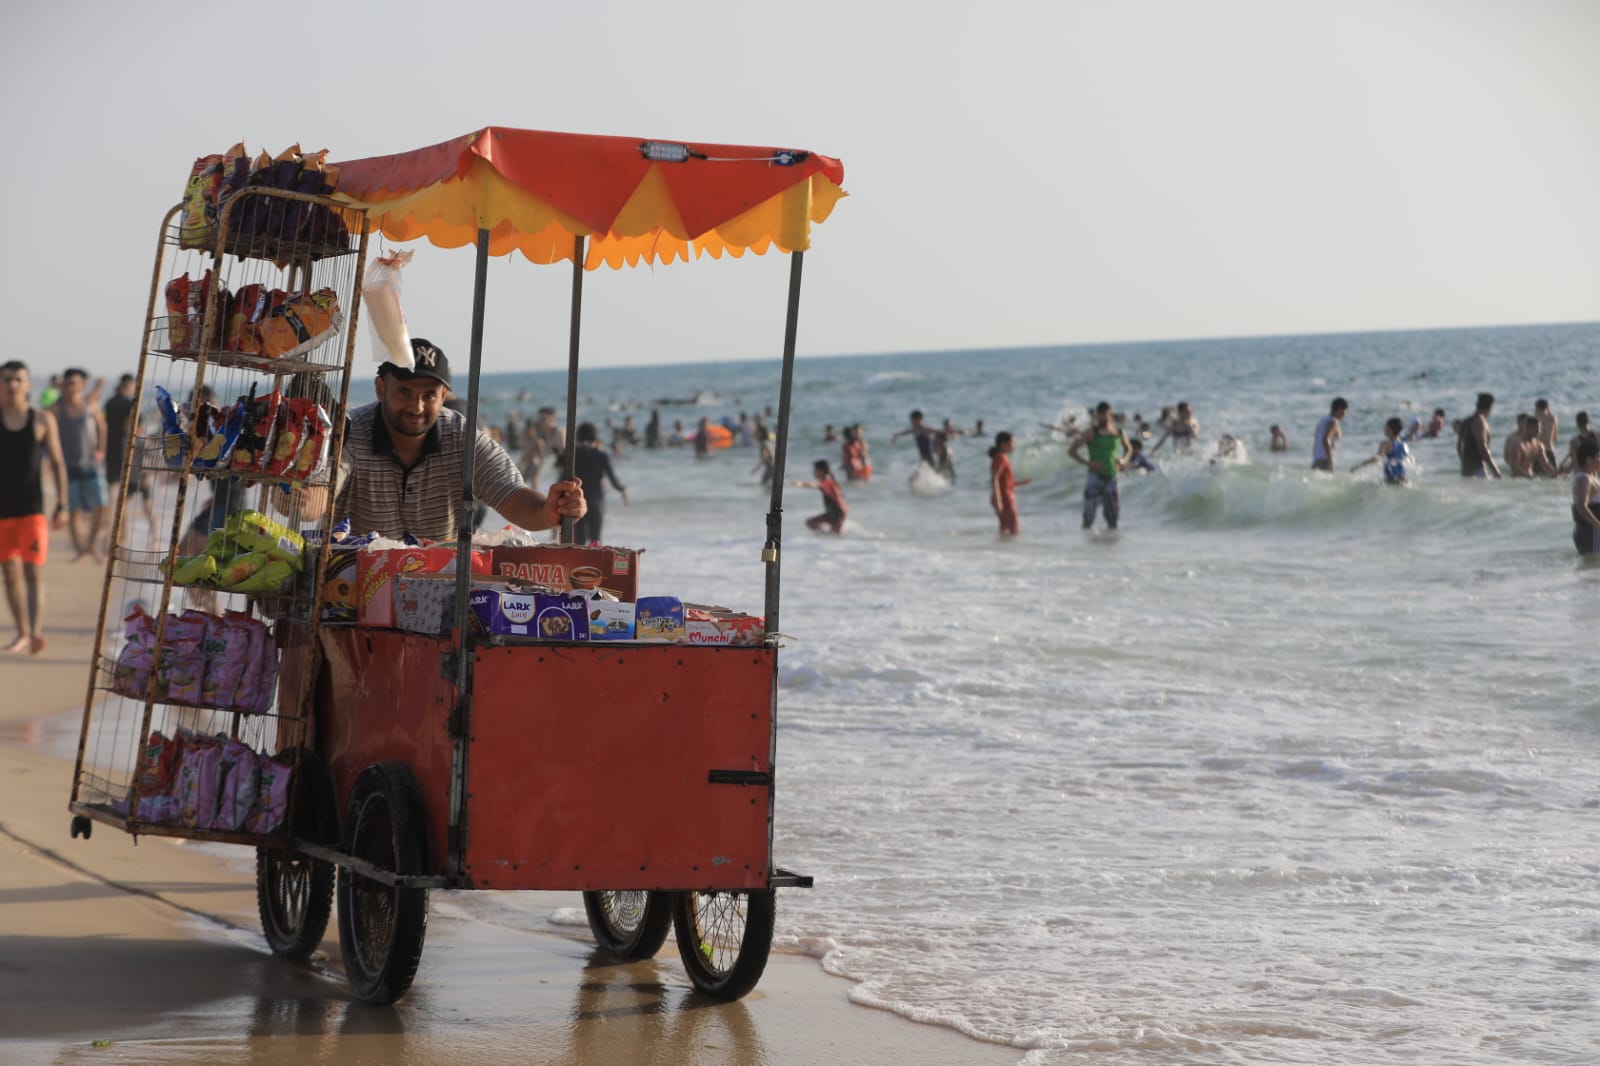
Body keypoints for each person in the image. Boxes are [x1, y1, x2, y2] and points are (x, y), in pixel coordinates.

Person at [324, 339, 585, 540]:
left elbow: (513, 497)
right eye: (404, 392)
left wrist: (550, 511)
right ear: (381, 388)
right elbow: (315, 499)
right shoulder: (349, 431)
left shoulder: (461, 436)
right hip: (348, 586)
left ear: (445, 394)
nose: (416, 407)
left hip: (434, 588)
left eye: (429, 395)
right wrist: (300, 489)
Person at [1, 361, 69, 655]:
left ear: (28, 385)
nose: (12, 384)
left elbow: (57, 462)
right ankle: (22, 632)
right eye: (7, 379)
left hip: (33, 509)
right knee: (10, 573)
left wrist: (63, 504)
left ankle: (36, 631)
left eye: (18, 379)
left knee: (32, 571)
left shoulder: (41, 420)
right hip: (2, 510)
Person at [54, 367, 109, 562]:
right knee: (74, 509)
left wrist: (101, 450)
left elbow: (102, 427)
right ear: (63, 385)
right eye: (68, 383)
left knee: (101, 505)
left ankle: (92, 545)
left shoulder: (90, 405)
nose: (71, 388)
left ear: (82, 385)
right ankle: (79, 548)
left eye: (75, 383)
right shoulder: (57, 408)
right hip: (68, 466)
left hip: (91, 465)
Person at [559, 422, 627, 545]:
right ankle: (596, 564)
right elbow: (613, 479)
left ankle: (579, 563)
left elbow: (562, 479)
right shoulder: (601, 455)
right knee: (596, 540)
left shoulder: (573, 456)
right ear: (595, 437)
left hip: (577, 501)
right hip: (597, 501)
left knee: (579, 541)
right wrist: (623, 490)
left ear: (578, 437)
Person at [1068, 401, 1128, 530]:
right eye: (1103, 415)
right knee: (1088, 519)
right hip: (1094, 479)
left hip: (1112, 479)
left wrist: (1123, 460)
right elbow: (1072, 451)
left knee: (1113, 519)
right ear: (1097, 415)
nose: (1106, 417)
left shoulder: (1118, 432)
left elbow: (1129, 449)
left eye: (1108, 414)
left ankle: (1111, 547)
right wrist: (1088, 463)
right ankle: (1086, 546)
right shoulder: (1091, 432)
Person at [988, 432, 1031, 535]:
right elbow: (995, 479)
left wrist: (1021, 483)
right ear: (1003, 444)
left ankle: (1003, 549)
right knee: (1014, 530)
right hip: (1005, 498)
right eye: (1013, 442)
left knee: (1005, 529)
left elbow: (1005, 482)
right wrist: (999, 501)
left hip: (1003, 497)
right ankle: (1011, 549)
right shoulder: (1001, 457)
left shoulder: (1000, 457)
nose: (1015, 445)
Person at [1350, 416, 1411, 484]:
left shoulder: (1386, 443)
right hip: (1404, 478)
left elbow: (1377, 458)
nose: (1384, 429)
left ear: (1390, 430)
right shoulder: (1404, 445)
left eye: (1385, 427)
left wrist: (1359, 466)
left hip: (1391, 479)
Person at [792, 460, 846, 534]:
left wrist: (801, 484)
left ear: (821, 471)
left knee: (835, 536)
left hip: (837, 514)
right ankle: (826, 538)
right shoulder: (830, 481)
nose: (813, 472)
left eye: (815, 470)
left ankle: (826, 538)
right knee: (810, 523)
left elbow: (816, 485)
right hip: (835, 513)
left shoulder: (827, 482)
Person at [1457, 392, 1501, 478]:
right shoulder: (1480, 422)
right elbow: (1482, 447)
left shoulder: (1466, 422)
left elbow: (1459, 447)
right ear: (1490, 406)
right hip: (1478, 470)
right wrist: (1495, 470)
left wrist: (1465, 463)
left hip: (1465, 470)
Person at [1570, 438, 1600, 555]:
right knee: (1592, 565)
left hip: (1593, 532)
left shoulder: (1591, 477)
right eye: (1598, 456)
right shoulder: (1584, 479)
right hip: (1591, 532)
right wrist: (1598, 526)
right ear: (1588, 460)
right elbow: (1581, 506)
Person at [1503, 413, 1556, 478]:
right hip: (1517, 480)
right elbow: (1514, 466)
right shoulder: (1517, 443)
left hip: (1530, 479)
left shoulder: (1538, 445)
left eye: (1540, 428)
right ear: (1529, 428)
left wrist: (1555, 473)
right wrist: (1526, 475)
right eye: (1537, 428)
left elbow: (1545, 464)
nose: (1540, 431)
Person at [1311, 397, 1347, 472]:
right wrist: (1331, 463)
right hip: (1325, 461)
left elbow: (1316, 443)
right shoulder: (1334, 422)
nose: (1345, 414)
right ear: (1340, 409)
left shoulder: (1321, 421)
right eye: (1345, 411)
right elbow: (1325, 439)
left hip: (1316, 461)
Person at [1534, 399, 1559, 468]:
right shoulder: (1553, 419)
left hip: (1538, 451)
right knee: (1552, 474)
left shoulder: (1535, 418)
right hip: (1550, 450)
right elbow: (1555, 438)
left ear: (1537, 408)